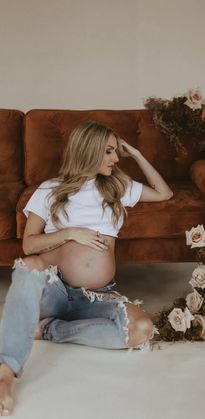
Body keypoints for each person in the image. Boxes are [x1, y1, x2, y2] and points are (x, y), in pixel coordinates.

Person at [0, 121, 173, 415]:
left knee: (142, 329)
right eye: (109, 152)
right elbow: (29, 245)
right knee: (28, 267)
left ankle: (51, 330)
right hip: (54, 290)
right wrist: (71, 232)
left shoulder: (117, 188)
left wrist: (136, 154)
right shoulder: (50, 190)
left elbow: (164, 193)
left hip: (96, 296)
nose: (115, 159)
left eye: (117, 152)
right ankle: (6, 370)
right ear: (88, 150)